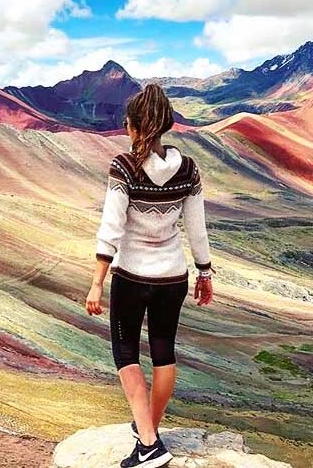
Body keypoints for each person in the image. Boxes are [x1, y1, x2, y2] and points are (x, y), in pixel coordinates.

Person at [86, 84, 214, 468]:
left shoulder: (124, 167)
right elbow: (197, 229)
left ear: (134, 126)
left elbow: (111, 227)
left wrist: (96, 281)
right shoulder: (188, 169)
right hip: (172, 276)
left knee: (125, 353)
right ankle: (149, 432)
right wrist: (204, 272)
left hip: (131, 275)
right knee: (163, 351)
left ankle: (148, 446)